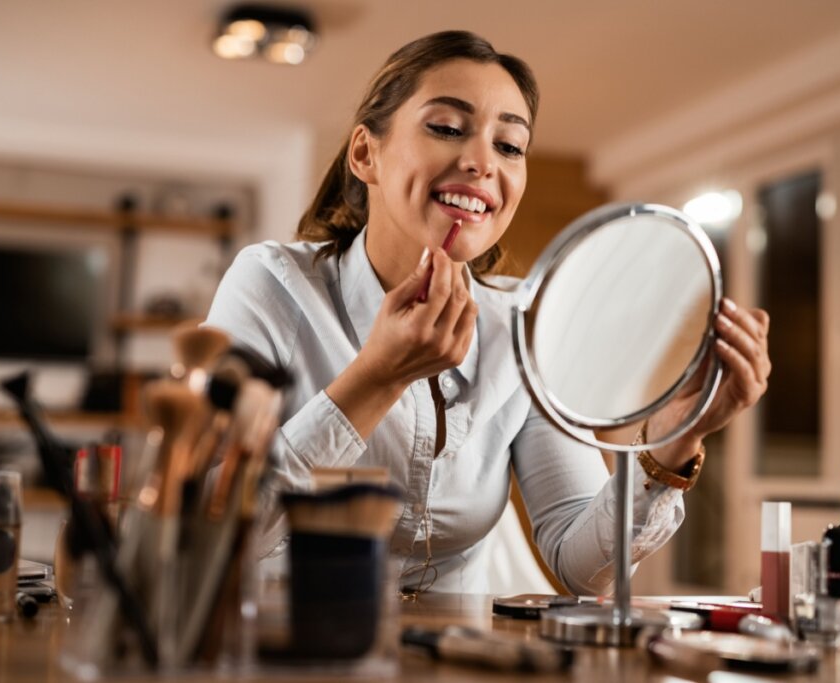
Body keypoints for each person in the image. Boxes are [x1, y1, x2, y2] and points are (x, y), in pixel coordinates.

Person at [205, 30, 771, 595]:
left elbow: (585, 569)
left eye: (509, 146)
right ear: (365, 154)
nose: (481, 162)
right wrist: (377, 378)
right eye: (447, 128)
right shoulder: (272, 284)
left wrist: (671, 444)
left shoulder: (521, 324)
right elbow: (211, 531)